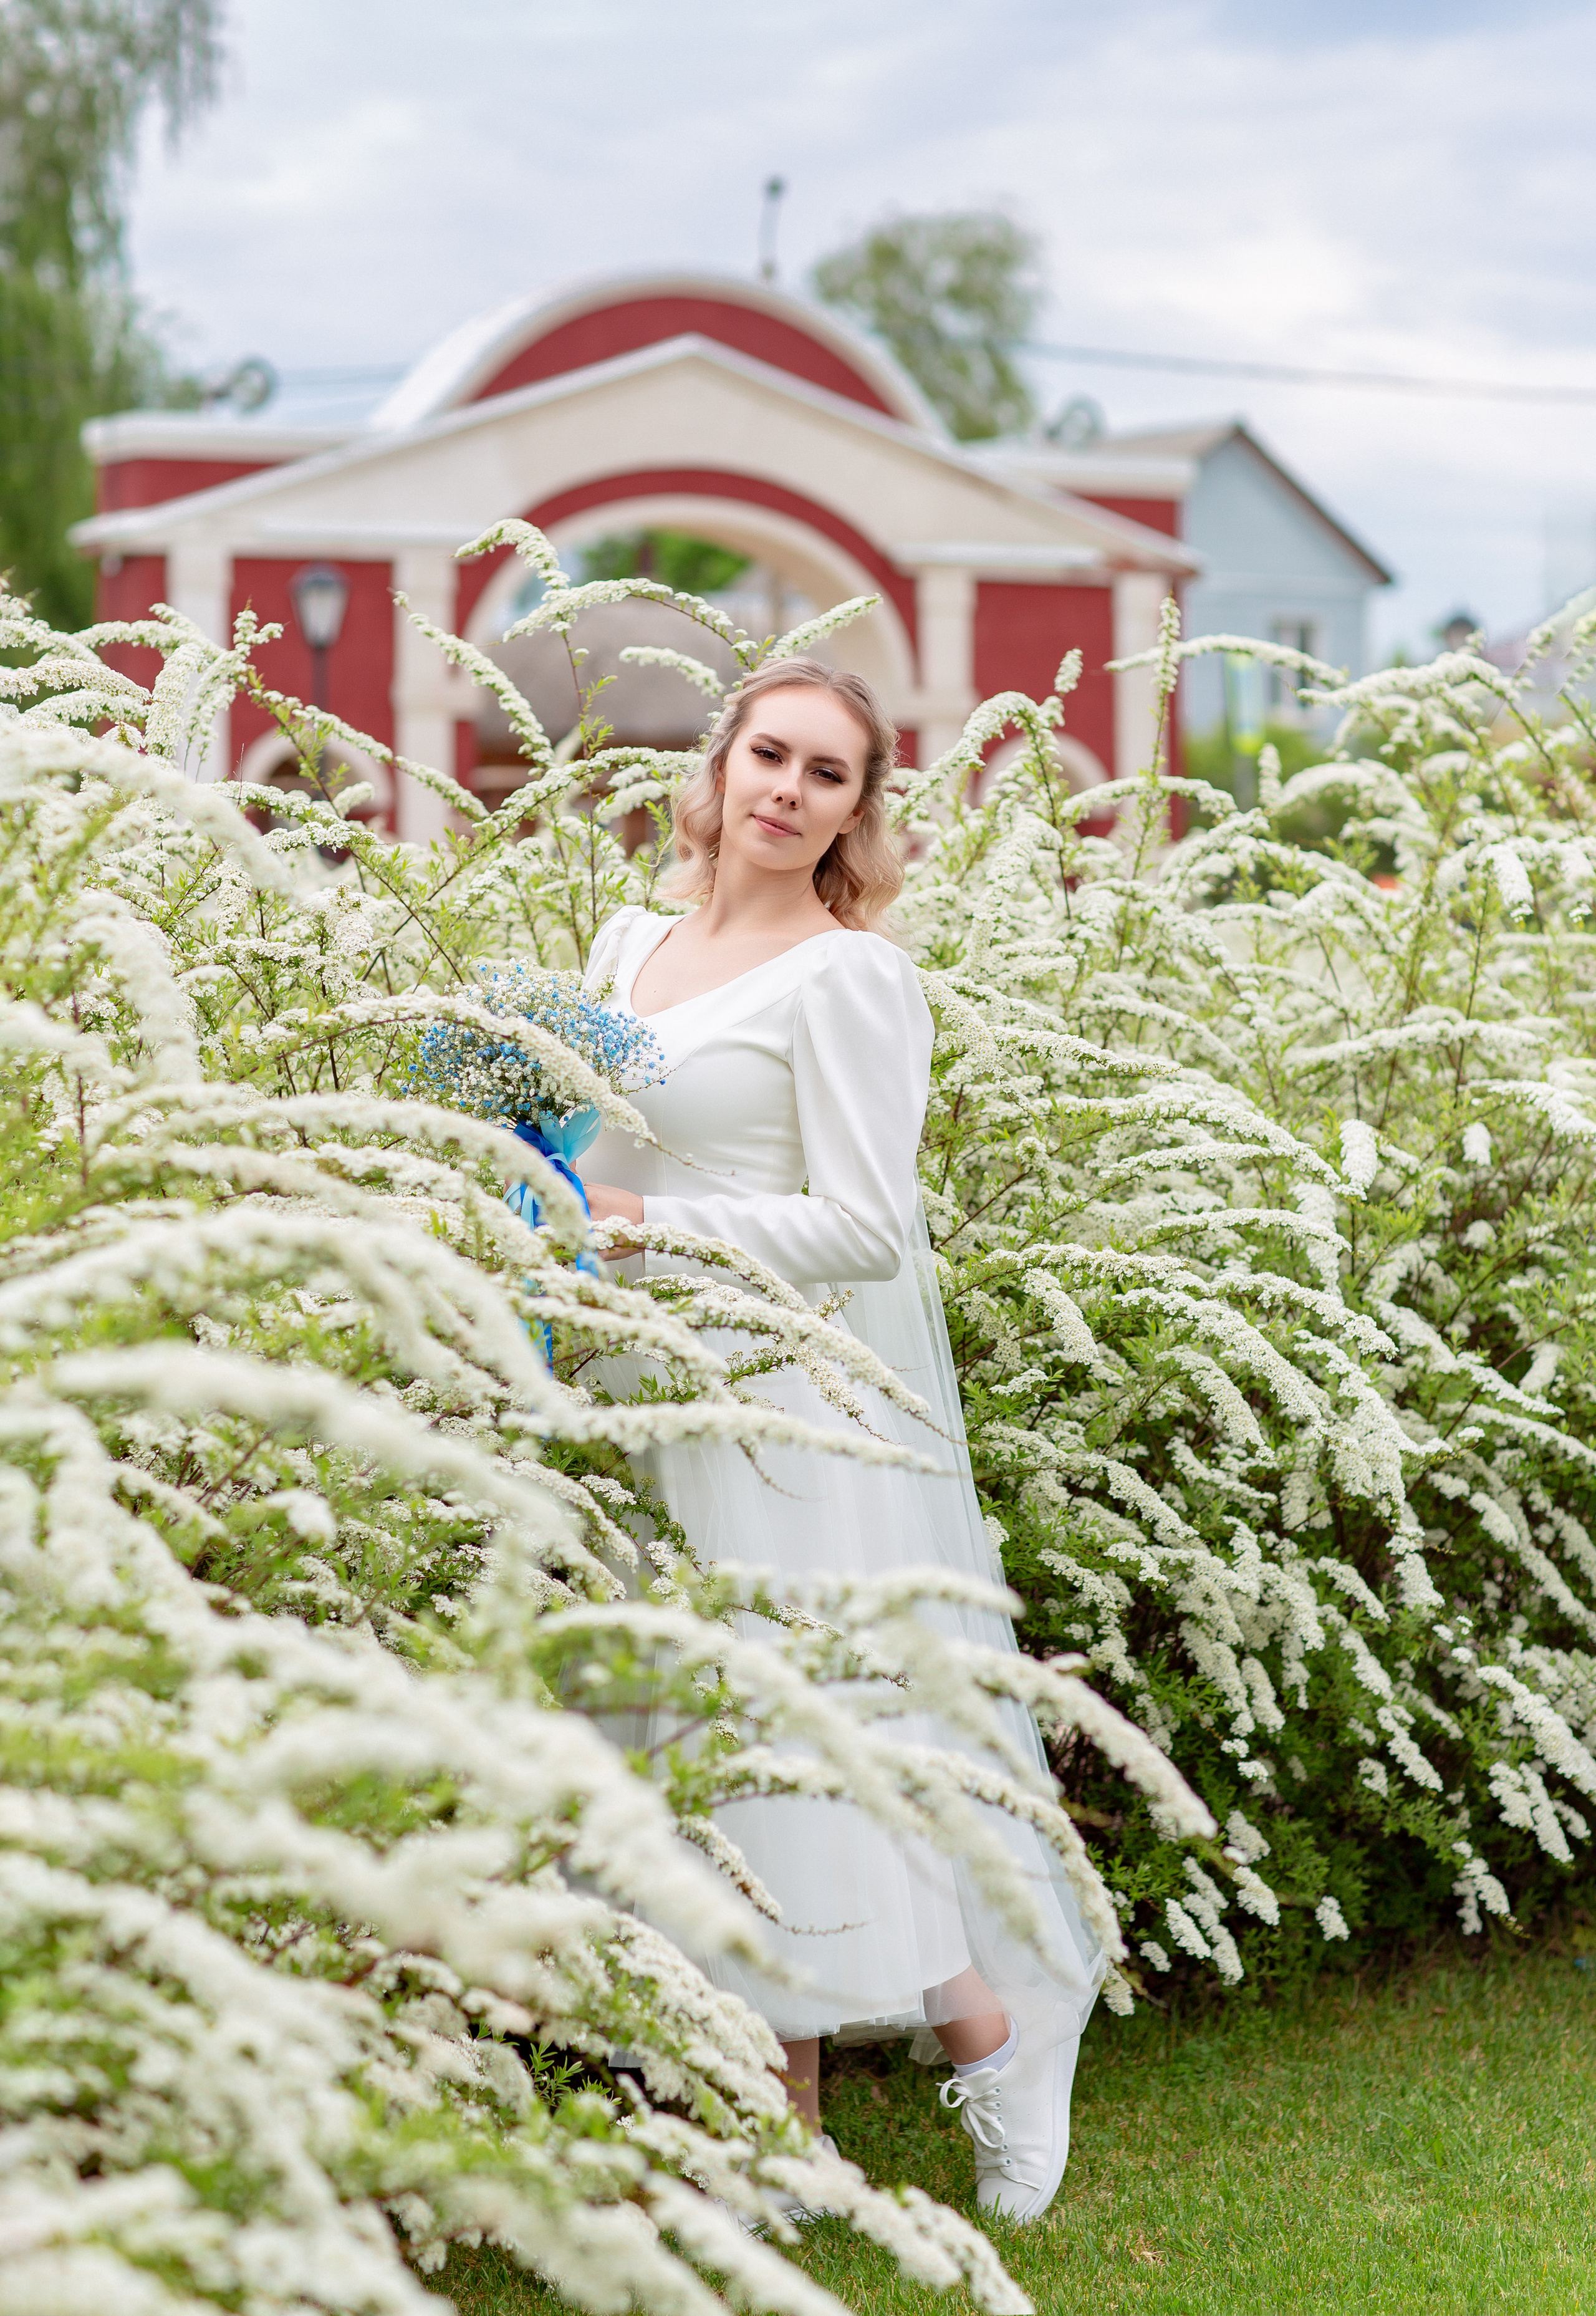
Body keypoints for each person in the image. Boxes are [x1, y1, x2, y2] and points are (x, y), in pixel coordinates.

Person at [578, 657, 1102, 2221]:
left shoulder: (851, 978)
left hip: (776, 1414)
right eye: (768, 755)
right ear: (718, 762)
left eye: (826, 774)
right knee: (674, 1743)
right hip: (628, 1395)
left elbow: (867, 1228)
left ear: (855, 814)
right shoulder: (625, 940)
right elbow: (575, 1135)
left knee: (795, 1758)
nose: (785, 791)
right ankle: (779, 2130)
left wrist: (653, 1233)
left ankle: (993, 2040)